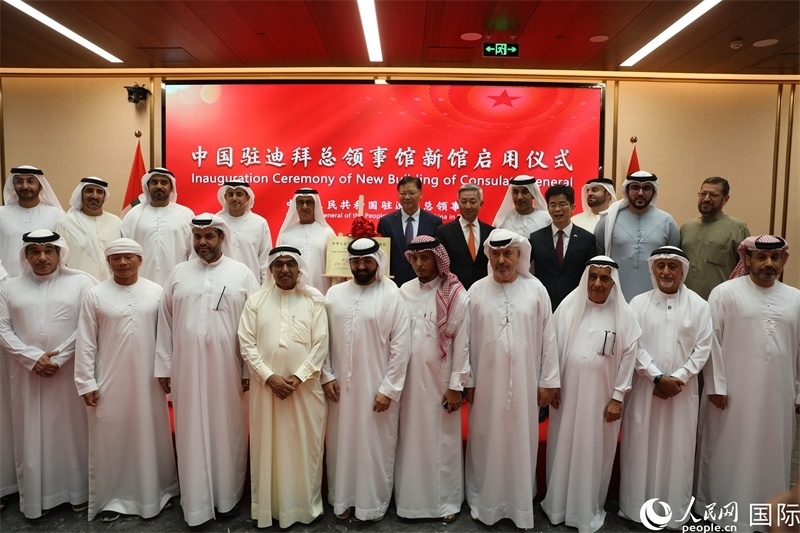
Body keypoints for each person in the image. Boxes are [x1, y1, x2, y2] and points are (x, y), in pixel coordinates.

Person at [155, 214, 259, 527]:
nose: (202, 242)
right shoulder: (178, 273)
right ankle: (196, 503)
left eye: (209, 236)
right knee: (190, 431)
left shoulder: (242, 273)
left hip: (228, 370)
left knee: (228, 430)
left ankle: (228, 498)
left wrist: (247, 369)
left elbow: (253, 326)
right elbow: (165, 322)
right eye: (197, 237)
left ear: (221, 238)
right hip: (185, 369)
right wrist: (164, 366)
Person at [694, 235, 800, 532]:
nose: (769, 264)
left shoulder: (795, 298)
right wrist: (716, 386)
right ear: (748, 259)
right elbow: (710, 343)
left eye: (775, 258)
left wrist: (798, 391)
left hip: (778, 395)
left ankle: (767, 514)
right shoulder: (724, 293)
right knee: (727, 452)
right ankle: (720, 510)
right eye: (761, 257)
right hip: (730, 394)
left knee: (772, 452)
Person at [74, 238, 179, 522]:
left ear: (140, 260)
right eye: (116, 258)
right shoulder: (95, 295)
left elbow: (166, 336)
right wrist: (86, 382)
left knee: (151, 434)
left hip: (149, 381)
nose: (122, 263)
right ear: (107, 262)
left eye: (128, 257)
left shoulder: (157, 292)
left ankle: (160, 492)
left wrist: (166, 370)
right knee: (110, 437)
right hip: (109, 380)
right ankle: (113, 498)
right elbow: (86, 342)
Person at [464, 229, 560, 529]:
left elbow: (549, 338)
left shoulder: (536, 290)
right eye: (496, 254)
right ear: (489, 256)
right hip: (486, 386)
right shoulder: (476, 291)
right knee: (486, 440)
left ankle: (519, 502)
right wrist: (468, 380)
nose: (502, 260)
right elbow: (464, 341)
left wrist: (548, 381)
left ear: (520, 255)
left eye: (508, 254)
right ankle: (485, 502)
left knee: (521, 440)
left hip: (525, 384)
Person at [0, 230, 95, 519]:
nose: (42, 257)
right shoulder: (9, 287)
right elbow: (2, 329)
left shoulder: (81, 282)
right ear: (25, 256)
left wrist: (60, 357)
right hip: (26, 374)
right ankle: (36, 499)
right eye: (35, 252)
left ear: (59, 253)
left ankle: (77, 493)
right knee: (30, 433)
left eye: (48, 251)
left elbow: (88, 325)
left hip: (68, 374)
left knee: (72, 432)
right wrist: (32, 359)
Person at [541, 256, 641, 533]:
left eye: (604, 278)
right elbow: (551, 347)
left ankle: (585, 511)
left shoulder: (625, 316)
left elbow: (629, 359)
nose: (597, 283)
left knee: (594, 453)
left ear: (613, 283)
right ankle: (557, 507)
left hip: (602, 402)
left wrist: (618, 397)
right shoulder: (568, 307)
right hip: (566, 397)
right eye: (593, 277)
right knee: (562, 448)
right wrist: (552, 383)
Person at [618, 246, 712, 530]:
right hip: (645, 390)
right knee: (640, 448)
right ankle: (635, 509)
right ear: (653, 270)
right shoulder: (638, 304)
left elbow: (702, 349)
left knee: (678, 451)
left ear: (683, 270)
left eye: (673, 266)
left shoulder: (700, 306)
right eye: (661, 266)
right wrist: (657, 377)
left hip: (682, 393)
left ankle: (674, 513)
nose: (667, 272)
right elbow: (632, 346)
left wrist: (678, 379)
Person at [238, 246, 328, 528]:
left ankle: (304, 507)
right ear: (271, 269)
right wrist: (269, 377)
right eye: (279, 264)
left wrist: (299, 376)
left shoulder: (314, 300)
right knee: (268, 447)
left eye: (291, 264)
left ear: (300, 268)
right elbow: (246, 343)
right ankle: (269, 507)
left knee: (304, 447)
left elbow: (321, 344)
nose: (285, 269)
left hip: (305, 389)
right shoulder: (256, 301)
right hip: (266, 389)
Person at [321, 237, 410, 522]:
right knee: (340, 445)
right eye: (356, 261)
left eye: (367, 261)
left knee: (374, 446)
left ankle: (371, 505)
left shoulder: (392, 295)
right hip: (339, 390)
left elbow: (401, 347)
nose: (361, 266)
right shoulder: (334, 294)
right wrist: (326, 375)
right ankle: (342, 499)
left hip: (376, 389)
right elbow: (322, 339)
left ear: (378, 262)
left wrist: (389, 389)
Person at [395, 236, 470, 522]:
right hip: (409, 384)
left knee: (443, 443)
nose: (419, 264)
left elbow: (462, 344)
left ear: (438, 259)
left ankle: (446, 503)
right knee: (410, 441)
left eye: (425, 258)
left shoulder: (456, 294)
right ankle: (409, 502)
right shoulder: (404, 292)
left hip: (441, 384)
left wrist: (456, 387)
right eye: (414, 259)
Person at [594, 171, 680, 301]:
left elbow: (675, 262)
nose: (640, 193)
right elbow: (597, 258)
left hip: (655, 301)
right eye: (635, 187)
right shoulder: (608, 221)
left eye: (646, 188)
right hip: (615, 298)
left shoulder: (667, 222)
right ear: (627, 190)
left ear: (653, 191)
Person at [120, 167, 194, 286]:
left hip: (178, 282)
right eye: (154, 182)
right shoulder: (134, 215)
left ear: (171, 187)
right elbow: (125, 249)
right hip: (141, 283)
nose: (159, 186)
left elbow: (193, 253)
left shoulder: (186, 215)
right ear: (147, 187)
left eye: (164, 183)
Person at [680, 176, 750, 300]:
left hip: (721, 303)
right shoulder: (686, 227)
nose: (706, 198)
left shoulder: (737, 228)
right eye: (703, 194)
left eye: (713, 195)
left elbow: (746, 270)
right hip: (686, 302)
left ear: (725, 199)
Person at [529, 184, 597, 310]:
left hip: (576, 305)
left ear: (572, 207)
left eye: (562, 204)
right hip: (543, 305)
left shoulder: (587, 239)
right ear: (547, 208)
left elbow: (591, 274)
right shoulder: (536, 238)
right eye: (552, 205)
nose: (557, 209)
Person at [377, 176, 443, 287]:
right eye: (403, 193)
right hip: (394, 282)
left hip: (425, 282)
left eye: (411, 193)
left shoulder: (434, 222)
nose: (407, 197)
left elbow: (437, 255)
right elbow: (382, 254)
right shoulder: (386, 222)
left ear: (420, 194)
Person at [0, 165, 64, 277]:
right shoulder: (1, 213)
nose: (25, 186)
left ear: (40, 185)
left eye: (30, 181)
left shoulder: (56, 215)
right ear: (13, 185)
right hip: (6, 279)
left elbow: (62, 252)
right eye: (19, 181)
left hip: (45, 280)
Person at [57, 177, 122, 281]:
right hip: (77, 284)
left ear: (104, 196)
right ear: (81, 194)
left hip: (111, 285)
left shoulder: (116, 222)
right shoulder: (66, 223)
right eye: (89, 191)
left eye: (99, 192)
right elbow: (59, 259)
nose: (94, 196)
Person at [276, 188, 336, 294]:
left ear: (315, 206)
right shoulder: (286, 234)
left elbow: (335, 267)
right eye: (301, 202)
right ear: (296, 206)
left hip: (321, 291)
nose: (304, 207)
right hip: (292, 293)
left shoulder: (327, 233)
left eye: (309, 202)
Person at [435, 183, 493, 289]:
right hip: (454, 290)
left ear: (481, 204)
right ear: (458, 203)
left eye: (472, 202)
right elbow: (440, 266)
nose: (468, 206)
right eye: (464, 201)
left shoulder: (491, 232)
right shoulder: (444, 232)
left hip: (485, 290)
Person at [216, 181, 272, 284]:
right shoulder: (217, 222)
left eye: (239, 194)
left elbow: (265, 259)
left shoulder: (259, 223)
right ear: (225, 197)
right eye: (230, 194)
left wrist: (265, 288)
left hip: (251, 284)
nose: (234, 198)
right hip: (221, 282)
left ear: (247, 198)